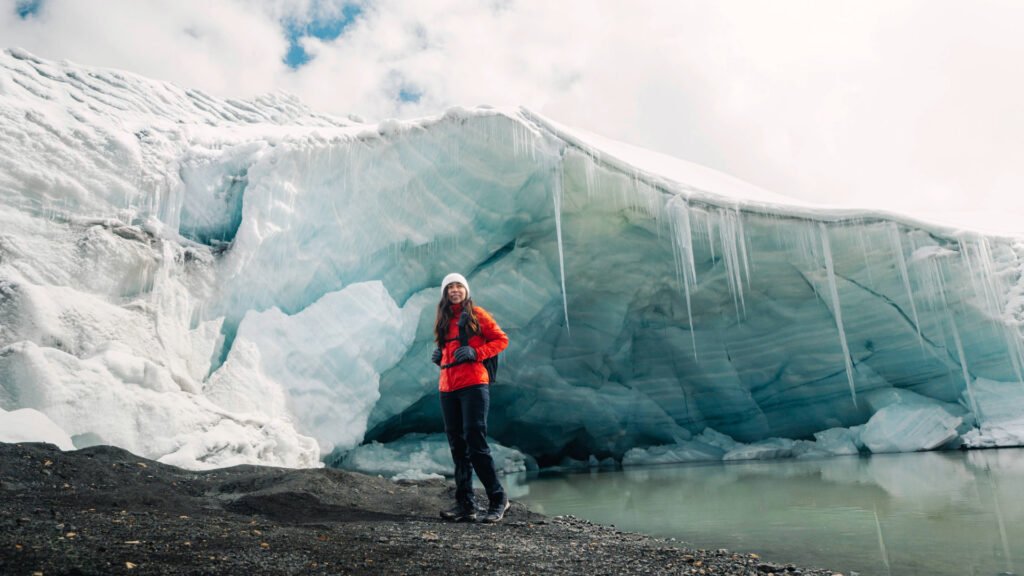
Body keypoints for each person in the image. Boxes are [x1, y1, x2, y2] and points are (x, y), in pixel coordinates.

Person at [431, 272, 510, 523]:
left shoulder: (477, 314)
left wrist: (477, 352)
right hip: (448, 388)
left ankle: (498, 499)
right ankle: (465, 504)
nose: (455, 290)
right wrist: (441, 358)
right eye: (450, 287)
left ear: (466, 290)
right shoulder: (443, 320)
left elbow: (501, 340)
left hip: (474, 385)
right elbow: (451, 351)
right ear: (445, 293)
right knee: (458, 447)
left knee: (476, 443)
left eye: (459, 286)